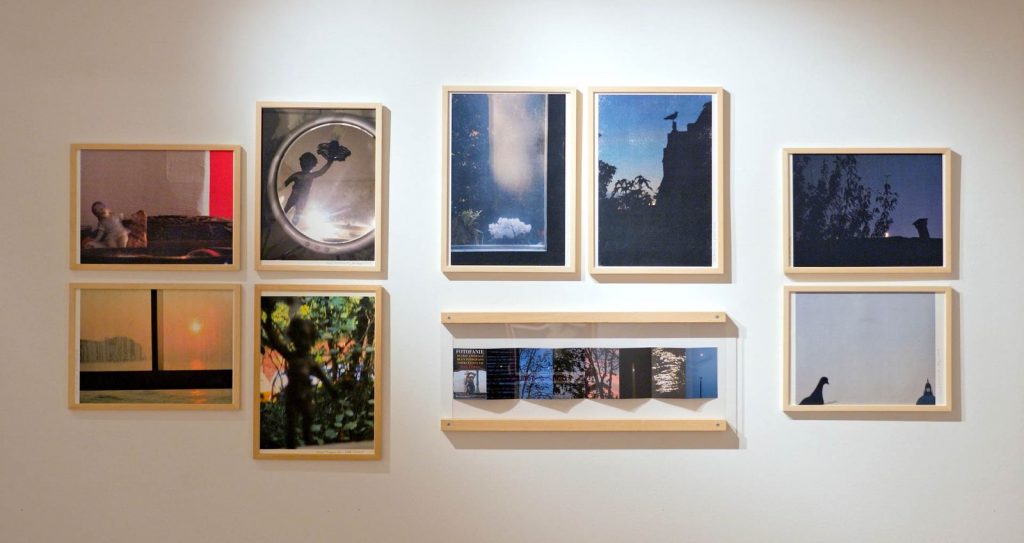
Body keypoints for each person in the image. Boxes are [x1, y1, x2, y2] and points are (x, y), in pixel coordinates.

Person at [264, 317, 336, 449]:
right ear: (294, 339)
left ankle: (308, 450)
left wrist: (333, 391)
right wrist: (268, 322)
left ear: (310, 340)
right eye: (298, 338)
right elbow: (276, 342)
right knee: (291, 428)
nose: (302, 342)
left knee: (307, 427)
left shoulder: (310, 362)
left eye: (305, 338)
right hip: (292, 397)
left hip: (306, 398)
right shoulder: (291, 357)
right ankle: (291, 451)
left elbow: (325, 379)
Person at [282, 139, 350, 226]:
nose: (307, 165)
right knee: (290, 210)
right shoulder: (301, 175)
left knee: (297, 212)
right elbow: (286, 182)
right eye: (306, 162)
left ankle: (292, 224)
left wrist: (329, 162)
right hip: (296, 196)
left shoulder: (303, 175)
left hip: (301, 197)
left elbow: (322, 171)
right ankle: (289, 222)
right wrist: (329, 162)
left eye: (308, 163)